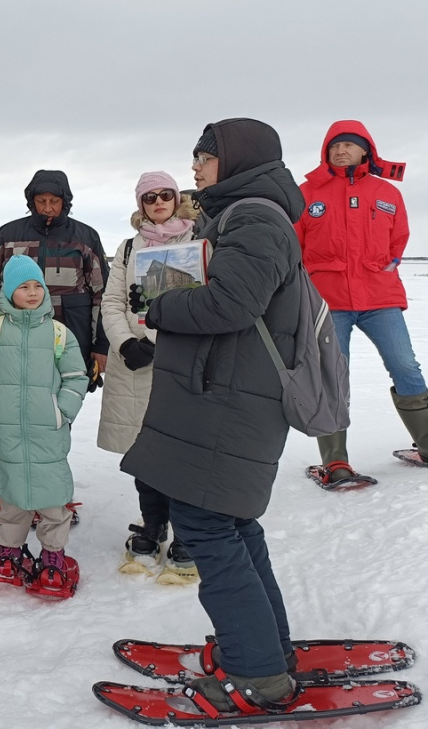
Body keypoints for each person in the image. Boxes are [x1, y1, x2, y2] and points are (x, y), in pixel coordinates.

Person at [120, 119, 305, 711]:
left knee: (206, 529)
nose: (195, 169)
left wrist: (161, 302)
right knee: (230, 524)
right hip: (224, 395)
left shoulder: (254, 218)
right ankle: (265, 650)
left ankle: (259, 674)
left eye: (204, 158)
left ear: (239, 160)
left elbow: (231, 302)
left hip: (229, 401)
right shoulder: (240, 216)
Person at [294, 121, 428, 482]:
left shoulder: (386, 192)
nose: (341, 151)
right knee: (332, 377)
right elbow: (295, 244)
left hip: (380, 296)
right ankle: (335, 462)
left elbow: (399, 236)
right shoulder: (307, 193)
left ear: (366, 150)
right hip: (328, 301)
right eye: (334, 146)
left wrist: (391, 262)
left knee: (406, 367)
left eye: (349, 146)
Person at [96, 172, 199, 574]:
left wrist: (164, 339)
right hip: (135, 362)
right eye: (150, 197)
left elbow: (204, 298)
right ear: (141, 204)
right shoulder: (126, 250)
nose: (158, 202)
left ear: (177, 199)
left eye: (165, 195)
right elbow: (112, 303)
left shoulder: (198, 243)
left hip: (182, 358)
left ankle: (188, 531)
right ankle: (153, 524)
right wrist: (124, 343)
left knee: (183, 449)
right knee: (145, 451)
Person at [0, 256, 88, 589]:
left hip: (48, 434)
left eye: (37, 286)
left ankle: (52, 559)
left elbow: (77, 376)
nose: (32, 293)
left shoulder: (58, 333)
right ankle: (9, 554)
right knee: (12, 500)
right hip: (6, 433)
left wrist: (60, 410)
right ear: (8, 292)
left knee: (52, 501)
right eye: (23, 287)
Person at [0, 169, 110, 388]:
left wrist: (101, 345)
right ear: (31, 201)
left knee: (66, 403)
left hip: (72, 338)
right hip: (17, 338)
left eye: (54, 201)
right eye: (41, 201)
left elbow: (103, 293)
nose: (48, 208)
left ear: (65, 201)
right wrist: (5, 301)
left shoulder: (85, 237)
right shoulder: (8, 235)